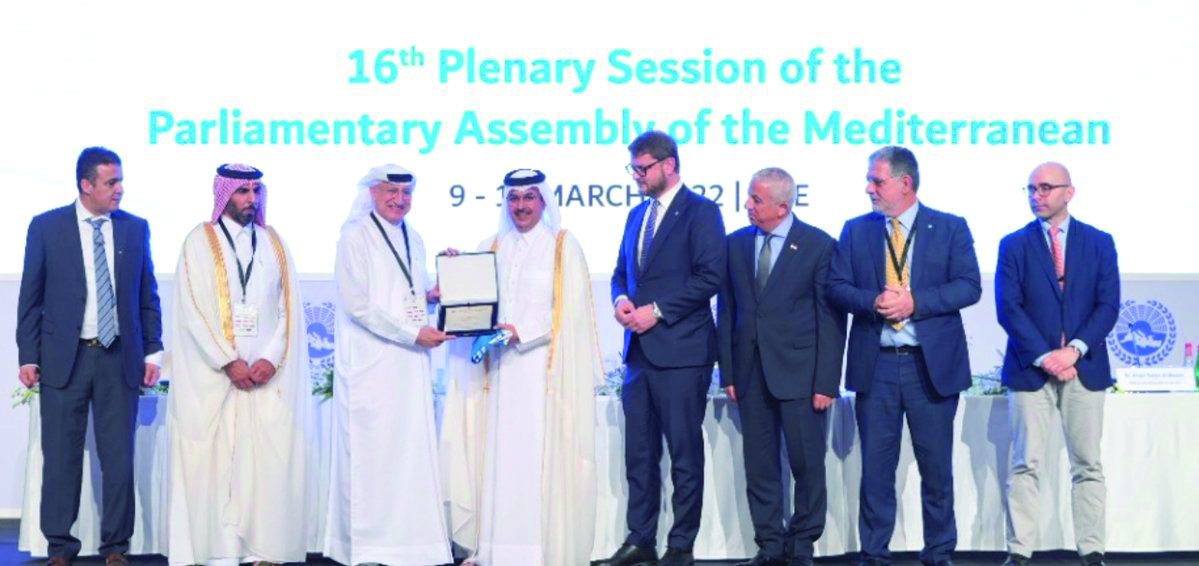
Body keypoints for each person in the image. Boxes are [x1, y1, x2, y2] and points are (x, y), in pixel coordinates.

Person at [827, 146, 981, 566]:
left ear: (905, 183)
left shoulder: (949, 227)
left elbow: (969, 286)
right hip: (875, 366)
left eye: (877, 181)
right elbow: (837, 287)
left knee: (936, 470)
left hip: (929, 368)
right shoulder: (856, 230)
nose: (869, 188)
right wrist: (873, 300)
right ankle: (874, 556)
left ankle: (938, 553)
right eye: (870, 180)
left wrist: (915, 302)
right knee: (875, 471)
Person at [441, 169, 604, 566]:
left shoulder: (563, 246)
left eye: (529, 198)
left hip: (542, 375)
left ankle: (534, 552)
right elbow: (474, 303)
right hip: (496, 377)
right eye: (514, 199)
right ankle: (496, 549)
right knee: (498, 457)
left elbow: (571, 312)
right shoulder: (491, 245)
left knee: (534, 458)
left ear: (544, 201)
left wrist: (522, 332)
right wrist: (455, 274)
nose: (521, 207)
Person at [16, 147, 163, 566]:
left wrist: (153, 350)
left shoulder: (135, 229)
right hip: (67, 358)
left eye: (120, 181)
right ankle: (60, 548)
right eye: (111, 182)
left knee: (118, 457)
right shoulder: (47, 227)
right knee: (60, 458)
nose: (120, 189)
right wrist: (28, 356)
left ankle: (116, 546)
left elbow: (146, 295)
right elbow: (31, 296)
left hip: (118, 358)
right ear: (86, 184)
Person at [166, 163, 309, 566]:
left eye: (255, 191)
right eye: (242, 191)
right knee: (215, 464)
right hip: (216, 378)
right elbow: (191, 308)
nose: (250, 199)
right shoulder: (199, 240)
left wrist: (268, 357)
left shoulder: (273, 242)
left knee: (262, 463)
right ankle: (217, 551)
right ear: (223, 194)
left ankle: (260, 549)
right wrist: (228, 361)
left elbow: (288, 309)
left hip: (264, 376)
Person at [602, 131, 726, 566]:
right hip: (638, 354)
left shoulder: (702, 212)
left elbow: (710, 276)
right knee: (639, 453)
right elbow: (621, 271)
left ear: (669, 165)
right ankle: (640, 540)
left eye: (643, 168)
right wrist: (621, 300)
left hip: (683, 352)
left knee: (684, 454)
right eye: (633, 169)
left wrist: (655, 310)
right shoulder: (637, 215)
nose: (637, 176)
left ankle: (681, 545)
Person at [325, 164, 453, 566]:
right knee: (374, 456)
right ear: (373, 195)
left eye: (406, 194)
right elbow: (359, 305)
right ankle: (371, 548)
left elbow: (408, 293)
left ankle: (410, 545)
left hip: (410, 365)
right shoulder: (354, 236)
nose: (400, 200)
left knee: (409, 453)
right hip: (373, 364)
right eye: (391, 192)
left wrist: (436, 292)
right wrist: (412, 333)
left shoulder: (413, 236)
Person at [717, 167, 846, 566]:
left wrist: (827, 381)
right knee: (760, 463)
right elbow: (727, 312)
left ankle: (802, 542)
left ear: (782, 206)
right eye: (749, 198)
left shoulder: (818, 245)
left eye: (756, 200)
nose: (748, 205)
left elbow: (831, 319)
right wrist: (730, 373)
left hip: (802, 375)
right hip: (751, 374)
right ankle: (769, 544)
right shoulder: (735, 244)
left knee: (806, 463)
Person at [995, 163, 1118, 566]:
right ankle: (1019, 552)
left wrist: (1075, 350)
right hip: (1032, 370)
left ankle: (1093, 551)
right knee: (1024, 463)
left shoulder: (1099, 242)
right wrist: (1047, 356)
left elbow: (1108, 306)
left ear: (1070, 192)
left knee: (1087, 465)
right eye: (1031, 188)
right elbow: (1008, 309)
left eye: (1046, 188)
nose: (1037, 196)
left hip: (1085, 367)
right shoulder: (1013, 244)